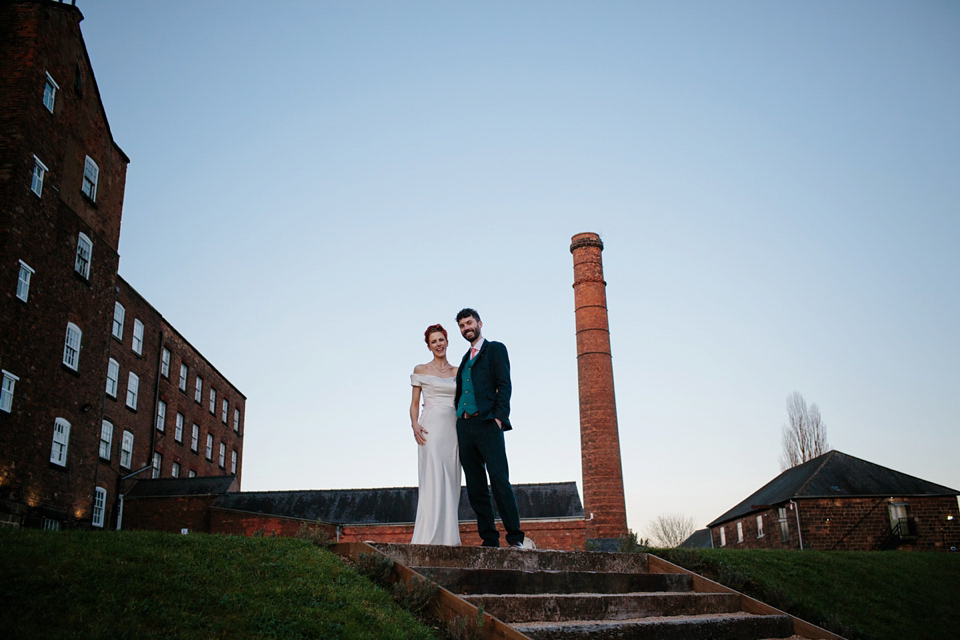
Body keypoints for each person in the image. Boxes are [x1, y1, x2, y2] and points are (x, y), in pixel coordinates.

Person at [453, 308, 524, 548]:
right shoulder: (464, 360)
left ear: (479, 323)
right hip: (464, 427)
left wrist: (499, 418)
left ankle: (514, 537)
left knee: (499, 480)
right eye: (462, 326)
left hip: (487, 424)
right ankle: (489, 539)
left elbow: (504, 385)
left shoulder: (495, 349)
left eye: (469, 323)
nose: (466, 328)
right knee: (475, 487)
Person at [409, 324, 462, 545]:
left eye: (441, 340)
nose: (438, 344)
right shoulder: (421, 370)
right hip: (430, 428)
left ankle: (448, 538)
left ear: (447, 341)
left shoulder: (458, 371)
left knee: (451, 480)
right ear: (429, 346)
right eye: (434, 341)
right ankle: (427, 537)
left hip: (453, 428)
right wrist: (414, 424)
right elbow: (413, 404)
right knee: (433, 477)